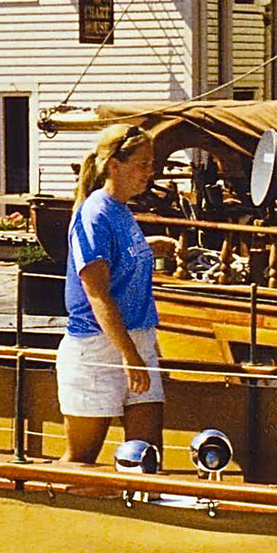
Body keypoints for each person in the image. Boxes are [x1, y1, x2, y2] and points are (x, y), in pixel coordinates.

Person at [58, 124, 177, 465]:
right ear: (114, 166)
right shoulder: (93, 215)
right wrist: (129, 356)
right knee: (82, 458)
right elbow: (97, 294)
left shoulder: (121, 210)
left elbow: (115, 257)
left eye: (151, 164)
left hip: (138, 342)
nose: (150, 172)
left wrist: (147, 246)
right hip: (97, 349)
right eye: (142, 164)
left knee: (146, 457)